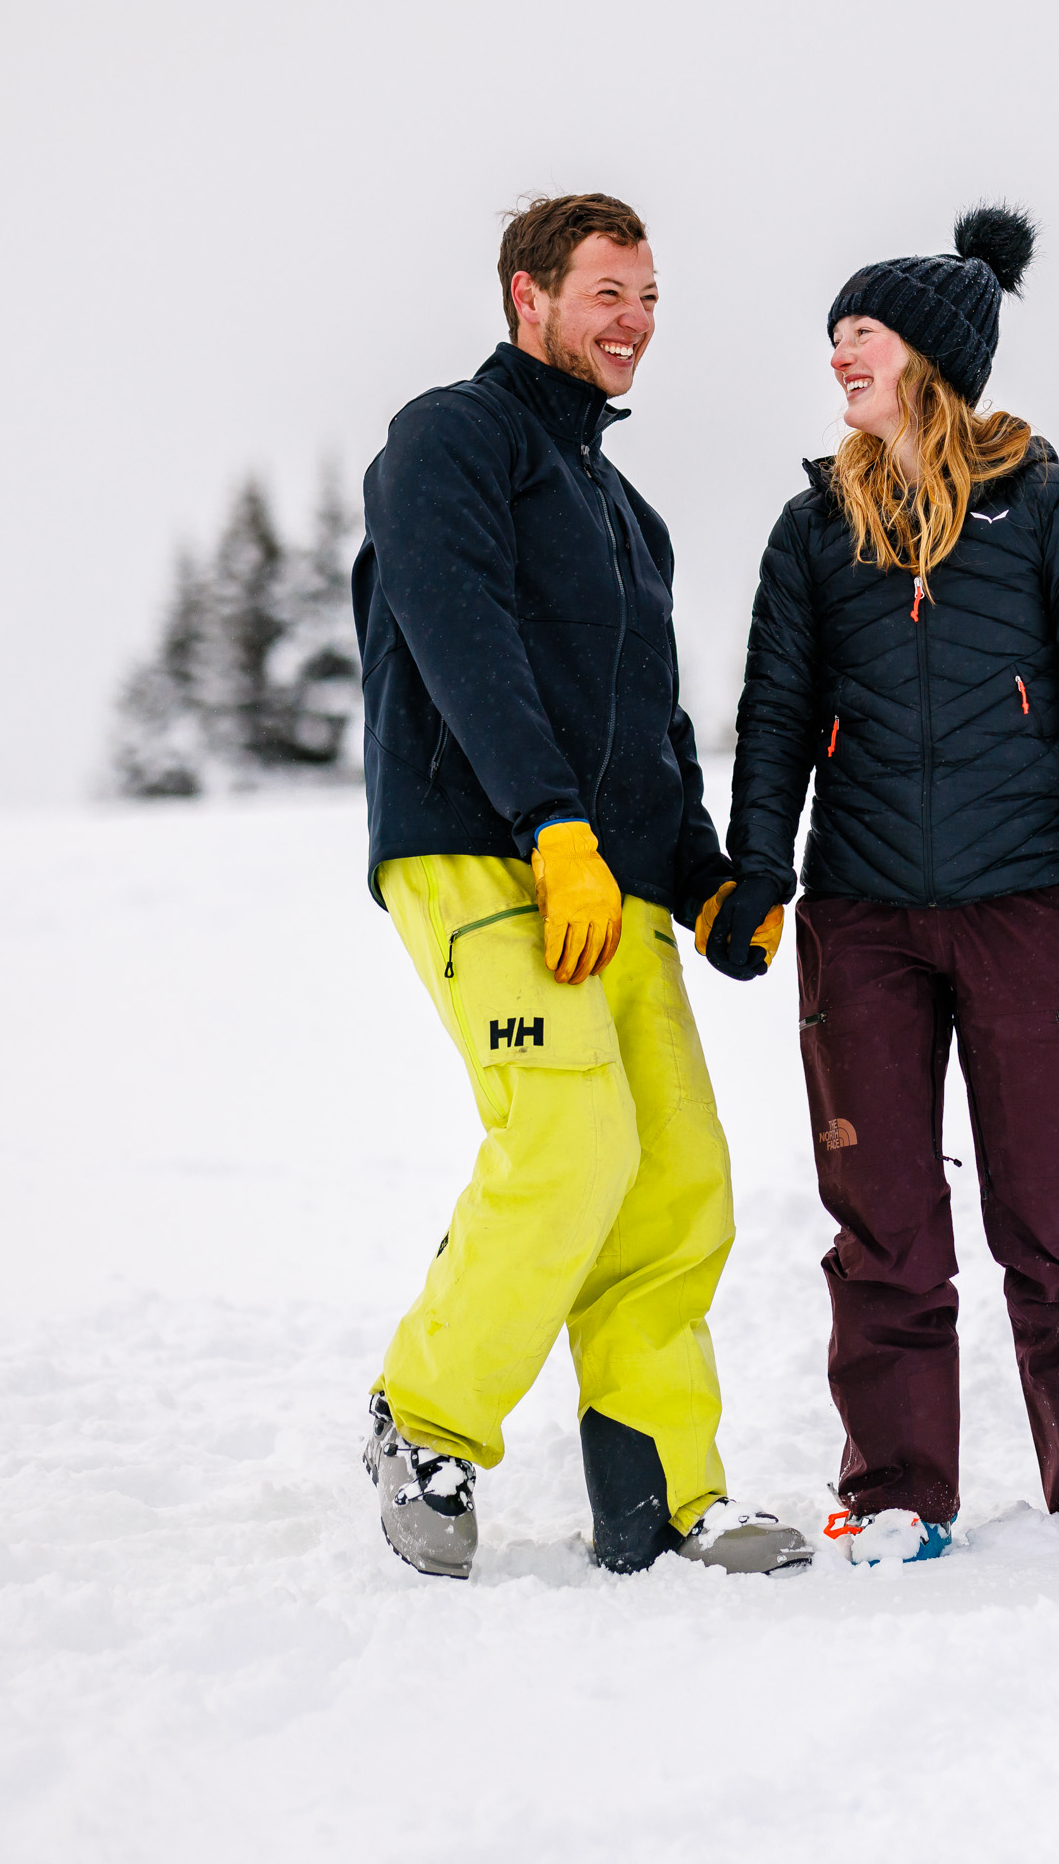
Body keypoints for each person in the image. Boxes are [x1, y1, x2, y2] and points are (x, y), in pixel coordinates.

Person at [351, 192, 809, 1581]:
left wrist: (708, 877)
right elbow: (454, 624)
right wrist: (548, 820)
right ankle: (423, 1417)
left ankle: (662, 1489)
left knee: (676, 1173)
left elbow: (651, 730)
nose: (635, 321)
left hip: (607, 881)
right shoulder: (453, 439)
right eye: (609, 290)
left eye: (651, 295)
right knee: (569, 1138)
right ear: (527, 298)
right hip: (482, 846)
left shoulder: (628, 515)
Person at [716, 205, 1059, 1566]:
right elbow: (776, 717)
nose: (838, 356)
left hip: (1028, 903)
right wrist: (755, 878)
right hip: (861, 918)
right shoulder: (814, 529)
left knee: (1056, 1215)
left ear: (927, 354)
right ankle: (900, 1487)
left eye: (858, 333)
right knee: (884, 1226)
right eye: (835, 338)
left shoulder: (1054, 510)